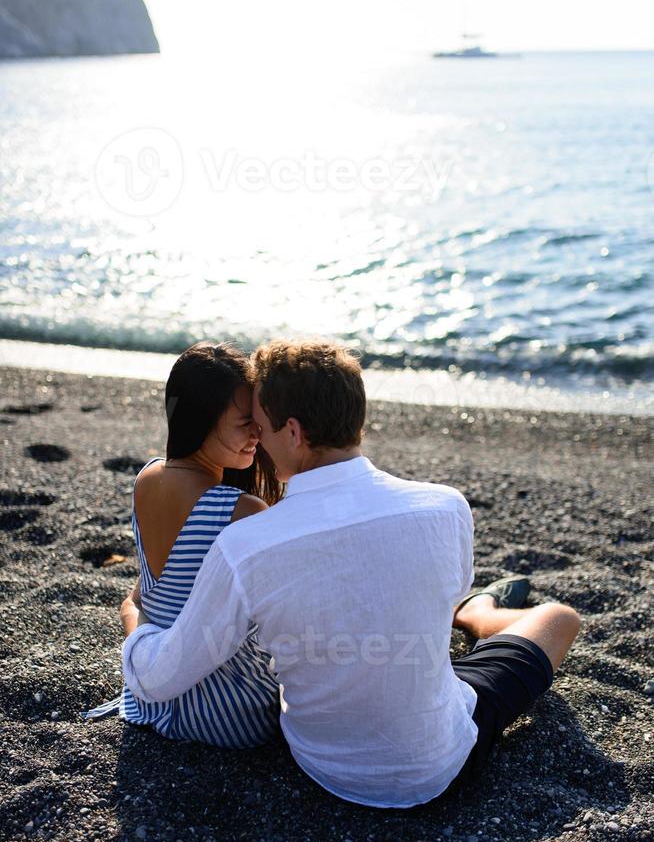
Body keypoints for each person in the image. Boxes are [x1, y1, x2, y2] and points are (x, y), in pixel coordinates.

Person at [122, 340, 581, 808]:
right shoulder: (446, 505)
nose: (257, 438)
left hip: (322, 765)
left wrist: (135, 616)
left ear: (294, 433)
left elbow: (161, 675)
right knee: (560, 619)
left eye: (261, 425)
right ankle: (480, 615)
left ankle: (477, 613)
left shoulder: (247, 543)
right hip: (441, 761)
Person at [84, 342, 283, 748]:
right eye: (245, 422)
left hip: (153, 703)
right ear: (202, 421)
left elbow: (144, 598)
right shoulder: (242, 510)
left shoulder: (147, 478)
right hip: (230, 714)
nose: (257, 434)